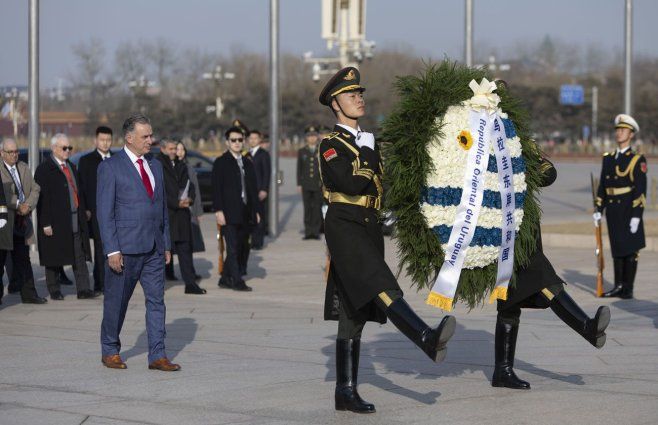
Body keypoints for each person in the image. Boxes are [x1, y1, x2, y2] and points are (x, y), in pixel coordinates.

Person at [318, 67, 456, 413]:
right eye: (351, 95)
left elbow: (381, 184)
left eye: (360, 93)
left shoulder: (368, 140)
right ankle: (424, 337)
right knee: (381, 286)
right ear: (335, 103)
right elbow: (349, 185)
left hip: (368, 224)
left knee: (354, 310)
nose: (359, 98)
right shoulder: (331, 145)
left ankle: (344, 391)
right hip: (344, 225)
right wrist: (366, 152)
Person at [493, 158, 611, 390]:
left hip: (525, 228)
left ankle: (502, 371)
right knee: (544, 279)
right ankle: (585, 326)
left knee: (510, 299)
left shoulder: (516, 138)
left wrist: (524, 170)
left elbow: (549, 173)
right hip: (501, 227)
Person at [98, 113, 180, 371]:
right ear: (129, 137)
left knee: (157, 302)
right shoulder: (110, 166)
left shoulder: (155, 164)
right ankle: (110, 349)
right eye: (145, 136)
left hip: (154, 249)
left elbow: (161, 208)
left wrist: (166, 243)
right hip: (125, 249)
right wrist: (112, 250)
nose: (150, 140)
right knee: (116, 302)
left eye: (151, 135)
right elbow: (105, 213)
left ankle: (157, 355)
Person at [35, 134, 98, 301]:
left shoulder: (71, 166)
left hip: (75, 219)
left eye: (69, 148)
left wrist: (85, 209)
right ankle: (54, 289)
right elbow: (42, 199)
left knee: (79, 254)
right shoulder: (44, 169)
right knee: (54, 256)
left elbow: (79, 190)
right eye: (64, 148)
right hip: (56, 222)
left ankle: (84, 289)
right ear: (54, 148)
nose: (68, 151)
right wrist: (45, 223)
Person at [594, 114, 646, 299]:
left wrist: (636, 216)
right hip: (613, 210)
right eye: (617, 130)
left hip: (628, 209)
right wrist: (599, 209)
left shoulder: (637, 159)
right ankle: (618, 286)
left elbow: (640, 190)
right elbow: (603, 186)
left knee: (630, 249)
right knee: (617, 247)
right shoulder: (608, 158)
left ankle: (628, 288)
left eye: (623, 130)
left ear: (631, 134)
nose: (619, 133)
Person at [212, 126, 259, 292]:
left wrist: (256, 211)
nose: (237, 143)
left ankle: (224, 279)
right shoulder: (221, 162)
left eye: (240, 140)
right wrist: (218, 211)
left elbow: (253, 189)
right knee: (231, 248)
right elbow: (216, 189)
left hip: (245, 212)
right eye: (233, 140)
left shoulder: (247, 161)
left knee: (240, 246)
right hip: (228, 213)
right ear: (227, 142)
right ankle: (237, 280)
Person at [0, 138, 46, 304]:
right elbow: (3, 194)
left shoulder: (23, 167)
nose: (14, 155)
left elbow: (35, 188)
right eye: (10, 152)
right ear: (2, 153)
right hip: (4, 224)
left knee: (23, 260)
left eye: (16, 151)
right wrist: (18, 204)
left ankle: (29, 295)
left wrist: (28, 205)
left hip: (21, 223)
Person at [157, 139, 205, 295]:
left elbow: (190, 186)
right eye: (170, 148)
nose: (173, 152)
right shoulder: (157, 165)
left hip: (183, 215)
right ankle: (158, 285)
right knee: (161, 253)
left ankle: (190, 284)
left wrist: (189, 199)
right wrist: (176, 203)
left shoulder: (181, 165)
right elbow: (159, 192)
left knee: (185, 250)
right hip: (167, 216)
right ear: (163, 148)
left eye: (175, 149)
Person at [78, 126, 113, 295]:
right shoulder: (86, 161)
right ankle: (101, 282)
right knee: (101, 248)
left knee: (115, 248)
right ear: (96, 140)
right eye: (102, 140)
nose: (105, 143)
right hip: (96, 212)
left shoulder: (117, 159)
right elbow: (82, 188)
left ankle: (114, 280)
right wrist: (85, 209)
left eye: (108, 140)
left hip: (116, 213)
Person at [176, 141, 204, 278]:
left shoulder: (189, 168)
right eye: (177, 149)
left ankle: (190, 272)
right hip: (174, 210)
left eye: (182, 149)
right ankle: (169, 272)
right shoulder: (168, 167)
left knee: (189, 244)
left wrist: (198, 212)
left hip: (189, 210)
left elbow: (196, 190)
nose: (179, 152)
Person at [297, 125, 323, 240]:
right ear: (306, 138)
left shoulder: (321, 149)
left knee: (317, 208)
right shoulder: (302, 151)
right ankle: (308, 232)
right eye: (309, 136)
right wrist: (299, 184)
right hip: (306, 184)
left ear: (317, 137)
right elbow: (299, 169)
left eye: (313, 136)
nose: (312, 138)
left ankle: (316, 232)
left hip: (318, 184)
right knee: (307, 208)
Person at [246, 130, 271, 249]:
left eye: (255, 138)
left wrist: (264, 189)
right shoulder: (246, 154)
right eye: (250, 138)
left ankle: (258, 242)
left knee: (260, 216)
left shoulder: (263, 154)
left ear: (259, 140)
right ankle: (250, 240)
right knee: (250, 216)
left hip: (259, 190)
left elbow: (267, 173)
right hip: (248, 191)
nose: (252, 140)